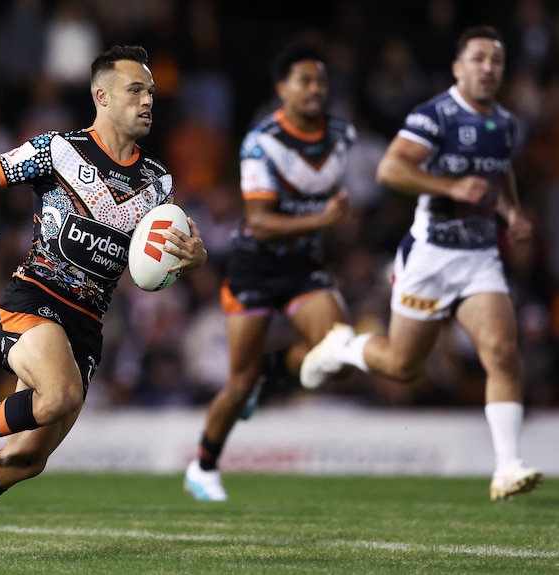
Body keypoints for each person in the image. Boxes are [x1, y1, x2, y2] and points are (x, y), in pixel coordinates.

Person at [0, 45, 208, 562]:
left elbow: (152, 269)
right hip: (36, 297)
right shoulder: (59, 150)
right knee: (58, 396)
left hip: (88, 322)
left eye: (152, 93)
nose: (147, 102)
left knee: (27, 458)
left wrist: (193, 258)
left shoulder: (158, 182)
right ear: (102, 96)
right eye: (135, 90)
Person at [299, 25, 543, 501]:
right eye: (478, 59)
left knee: (501, 349)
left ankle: (507, 466)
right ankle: (344, 346)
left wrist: (511, 211)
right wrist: (451, 189)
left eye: (495, 60)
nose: (488, 68)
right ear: (458, 67)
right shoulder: (435, 116)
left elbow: (499, 169)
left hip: (479, 258)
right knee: (403, 365)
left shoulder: (505, 123)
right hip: (430, 258)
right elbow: (390, 169)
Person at [183, 41, 355, 502]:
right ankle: (203, 466)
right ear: (282, 89)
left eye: (320, 80)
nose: (316, 88)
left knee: (336, 352)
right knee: (238, 383)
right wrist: (322, 220)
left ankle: (270, 372)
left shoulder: (343, 135)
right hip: (255, 265)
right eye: (305, 80)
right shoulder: (261, 142)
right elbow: (259, 220)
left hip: (303, 266)